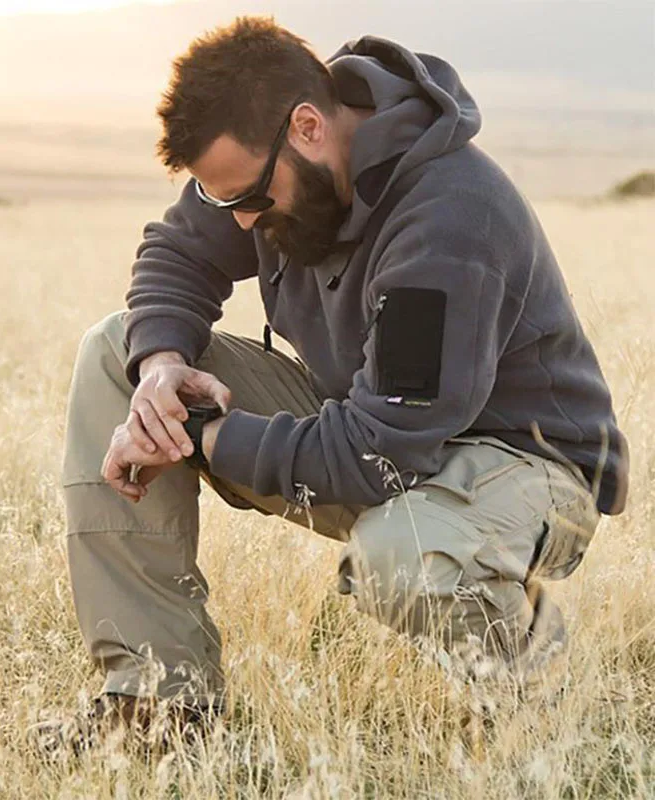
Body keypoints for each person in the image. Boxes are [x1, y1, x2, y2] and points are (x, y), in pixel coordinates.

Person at [44, 17, 629, 752]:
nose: (243, 221)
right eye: (226, 203)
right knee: (114, 353)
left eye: (251, 199)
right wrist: (160, 372)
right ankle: (160, 710)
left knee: (403, 554)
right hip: (378, 420)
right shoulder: (260, 165)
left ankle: (538, 713)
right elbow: (180, 250)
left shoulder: (449, 218)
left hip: (525, 463)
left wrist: (196, 433)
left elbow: (378, 455)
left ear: (310, 127)